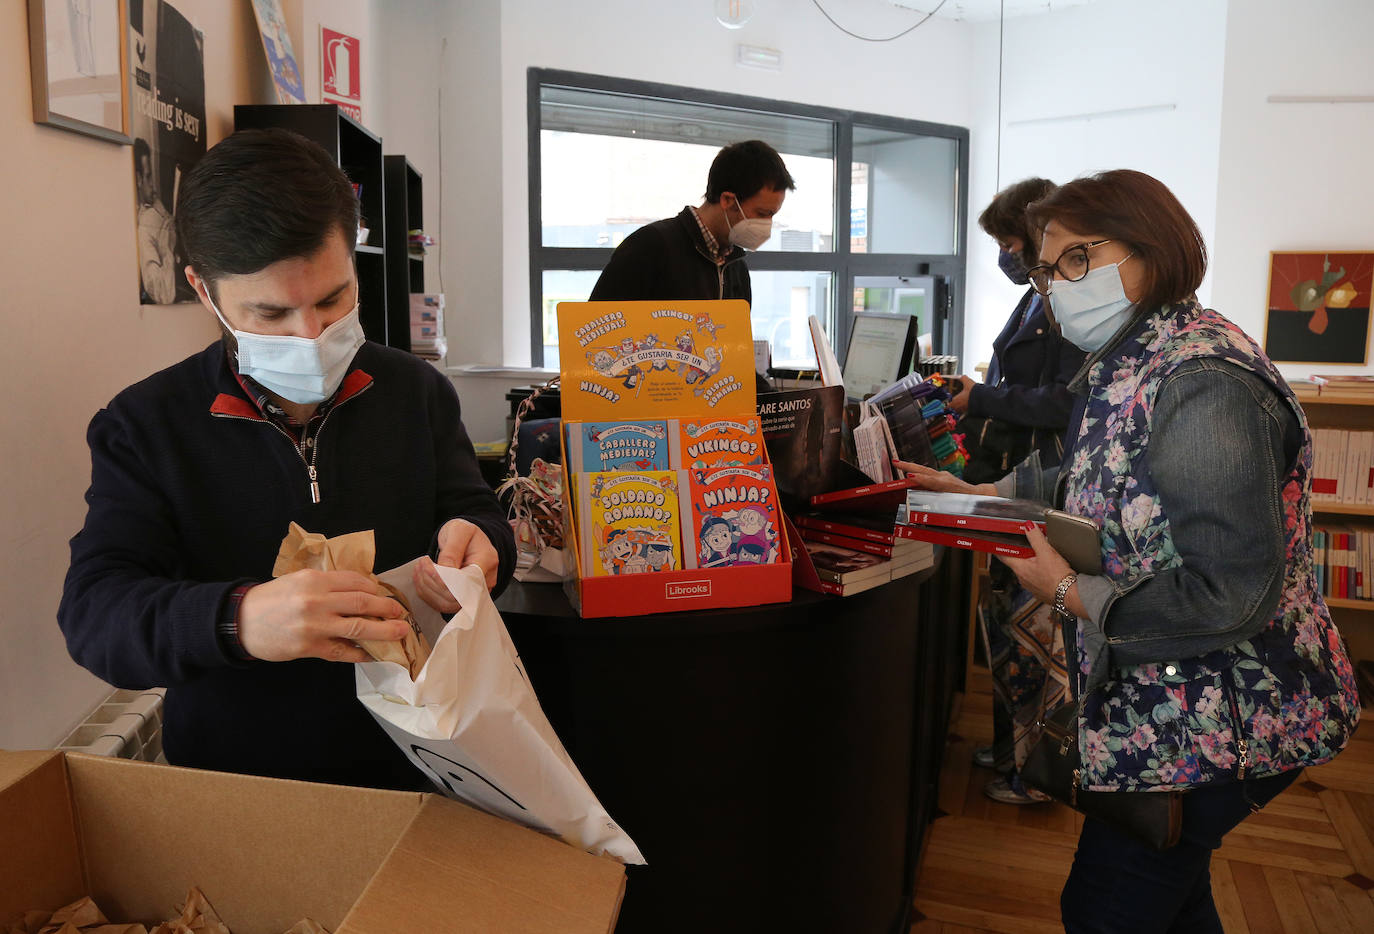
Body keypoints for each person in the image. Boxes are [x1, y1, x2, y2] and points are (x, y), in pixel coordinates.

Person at [896, 169, 1360, 932]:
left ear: (1153, 248)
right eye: (1049, 270)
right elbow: (1089, 473)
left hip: (1232, 712)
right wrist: (971, 490)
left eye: (1081, 257)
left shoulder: (1202, 381)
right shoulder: (1131, 357)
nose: (1059, 286)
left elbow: (1231, 591)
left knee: (1106, 908)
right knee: (1171, 898)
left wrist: (1067, 592)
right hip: (1172, 700)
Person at [59, 128, 516, 792]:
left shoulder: (417, 392)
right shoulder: (144, 426)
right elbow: (95, 615)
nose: (311, 335)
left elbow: (472, 510)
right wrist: (240, 619)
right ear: (204, 290)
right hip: (241, 784)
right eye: (271, 313)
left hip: (427, 760)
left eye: (332, 299)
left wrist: (483, 545)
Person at [958, 178, 1087, 806]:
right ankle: (1011, 748)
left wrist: (981, 397)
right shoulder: (1035, 299)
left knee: (1031, 629)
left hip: (1044, 483)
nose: (1006, 257)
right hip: (1016, 478)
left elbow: (1063, 403)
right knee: (1005, 626)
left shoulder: (1068, 308)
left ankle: (1034, 773)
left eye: (1010, 244)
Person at [589, 139, 795, 305]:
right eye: (762, 213)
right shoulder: (651, 246)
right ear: (727, 200)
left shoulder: (736, 266)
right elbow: (596, 328)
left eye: (772, 215)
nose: (767, 224)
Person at [134, 137, 178, 305]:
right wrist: (167, 245)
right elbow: (164, 295)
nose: (153, 186)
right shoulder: (144, 226)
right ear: (138, 179)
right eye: (148, 177)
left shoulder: (152, 211)